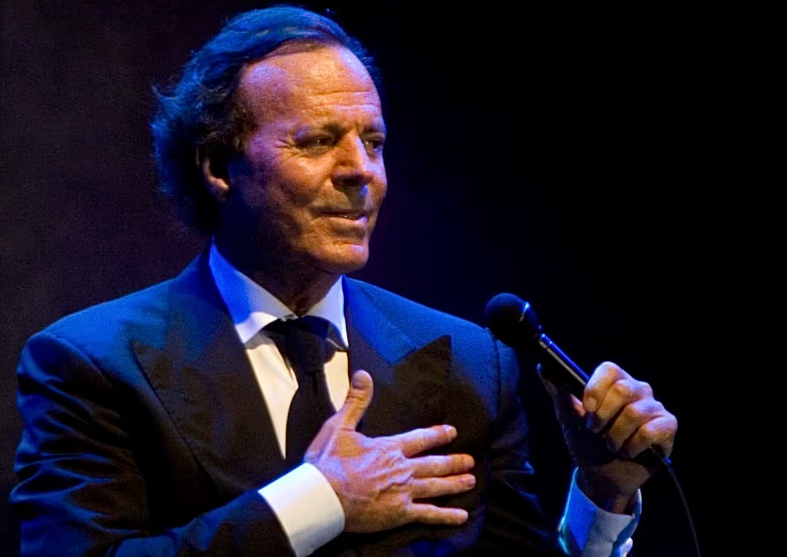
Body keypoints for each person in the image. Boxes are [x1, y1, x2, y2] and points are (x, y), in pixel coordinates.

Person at [10, 6, 678, 556]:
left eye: (374, 142)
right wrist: (316, 501)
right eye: (317, 141)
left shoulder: (473, 365)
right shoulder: (92, 364)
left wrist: (603, 492)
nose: (362, 171)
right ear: (217, 166)